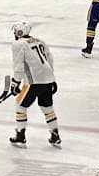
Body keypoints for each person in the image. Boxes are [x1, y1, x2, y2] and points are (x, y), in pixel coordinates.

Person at [8, 20, 61, 148]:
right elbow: (49, 59)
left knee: (20, 106)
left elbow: (19, 66)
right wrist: (52, 79)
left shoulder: (18, 44)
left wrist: (15, 82)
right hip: (47, 79)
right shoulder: (39, 41)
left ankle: (20, 135)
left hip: (33, 82)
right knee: (47, 107)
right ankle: (55, 135)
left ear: (19, 33)